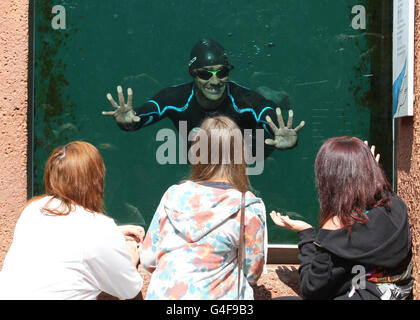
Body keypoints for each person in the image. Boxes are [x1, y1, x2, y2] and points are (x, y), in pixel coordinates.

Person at [102, 38, 305, 158]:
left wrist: (284, 137)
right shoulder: (175, 98)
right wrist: (127, 122)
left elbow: (266, 112)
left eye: (222, 73)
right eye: (206, 74)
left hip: (251, 157)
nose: (215, 82)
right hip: (205, 163)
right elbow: (143, 115)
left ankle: (269, 91)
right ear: (192, 74)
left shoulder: (243, 100)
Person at [270, 136, 413, 300]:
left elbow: (312, 290)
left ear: (329, 180)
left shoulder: (339, 228)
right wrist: (373, 171)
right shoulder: (395, 206)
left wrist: (306, 233)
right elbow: (377, 193)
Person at [140, 116, 266, 299]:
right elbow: (252, 273)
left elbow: (148, 259)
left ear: (196, 153)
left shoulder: (172, 195)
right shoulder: (247, 207)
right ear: (240, 154)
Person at [0, 141, 144, 300]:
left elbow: (63, 236)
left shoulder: (33, 210)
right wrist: (131, 257)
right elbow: (129, 291)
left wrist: (115, 233)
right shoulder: (99, 228)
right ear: (96, 181)